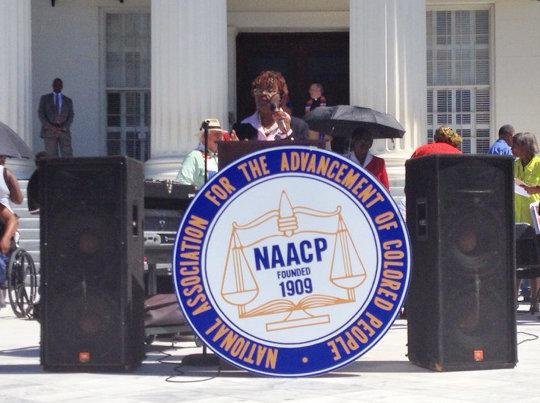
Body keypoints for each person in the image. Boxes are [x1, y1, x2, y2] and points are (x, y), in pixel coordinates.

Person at [231, 71, 309, 141]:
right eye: (259, 90)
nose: (263, 93)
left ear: (281, 97)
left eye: (270, 90)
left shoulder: (299, 127)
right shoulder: (240, 128)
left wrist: (287, 133)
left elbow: (300, 154)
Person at [513, 132, 540, 312]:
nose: (512, 148)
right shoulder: (514, 164)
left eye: (515, 145)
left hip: (534, 218)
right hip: (517, 218)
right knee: (517, 261)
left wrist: (535, 188)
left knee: (535, 261)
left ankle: (534, 302)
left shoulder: (538, 164)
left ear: (525, 147)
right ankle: (512, 300)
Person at [176, 119, 237, 188]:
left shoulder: (223, 157)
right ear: (204, 137)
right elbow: (182, 184)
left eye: (220, 135)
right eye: (216, 134)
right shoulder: (195, 156)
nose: (219, 138)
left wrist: (234, 152)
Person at [0, 155, 23, 308]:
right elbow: (19, 199)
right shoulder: (5, 173)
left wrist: (5, 239)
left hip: (5, 226)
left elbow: (12, 220)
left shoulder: (5, 173)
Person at [38, 77, 74, 157]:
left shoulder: (68, 100)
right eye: (56, 84)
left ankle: (67, 169)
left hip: (64, 131)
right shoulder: (45, 99)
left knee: (67, 155)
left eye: (59, 84)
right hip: (49, 131)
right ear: (52, 85)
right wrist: (49, 126)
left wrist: (65, 127)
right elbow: (41, 114)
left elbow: (71, 115)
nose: (58, 86)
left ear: (62, 86)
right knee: (51, 156)